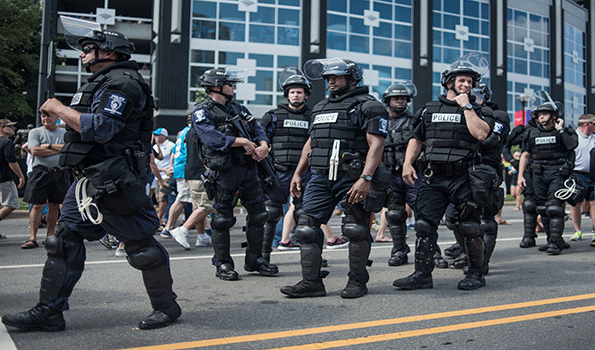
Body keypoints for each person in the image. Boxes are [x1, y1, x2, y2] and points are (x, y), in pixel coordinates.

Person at [2, 21, 180, 331]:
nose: (83, 55)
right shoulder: (101, 82)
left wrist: (57, 107)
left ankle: (167, 308)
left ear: (108, 52)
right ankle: (49, 312)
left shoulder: (123, 83)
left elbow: (101, 128)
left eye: (88, 49)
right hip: (86, 179)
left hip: (114, 178)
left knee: (141, 248)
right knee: (63, 241)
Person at [280, 58, 388, 299]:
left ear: (352, 79)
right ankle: (312, 283)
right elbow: (311, 142)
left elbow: (376, 144)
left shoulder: (370, 106)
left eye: (335, 77)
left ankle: (357, 282)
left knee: (355, 229)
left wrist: (365, 178)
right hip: (319, 177)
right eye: (328, 78)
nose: (330, 81)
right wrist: (298, 172)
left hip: (352, 176)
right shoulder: (319, 107)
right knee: (306, 229)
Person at [392, 53, 494, 291]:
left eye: (470, 81)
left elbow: (481, 134)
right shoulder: (429, 109)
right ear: (449, 83)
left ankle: (476, 274)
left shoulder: (478, 110)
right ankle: (422, 275)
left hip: (463, 177)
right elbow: (417, 139)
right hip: (433, 177)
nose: (466, 85)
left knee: (470, 226)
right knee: (424, 226)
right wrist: (408, 163)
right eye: (461, 80)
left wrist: (467, 106)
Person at [191, 67, 278, 280]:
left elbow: (257, 128)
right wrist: (241, 142)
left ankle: (255, 260)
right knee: (222, 220)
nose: (233, 87)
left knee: (259, 215)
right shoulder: (202, 111)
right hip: (224, 172)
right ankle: (223, 264)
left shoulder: (238, 108)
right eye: (230, 84)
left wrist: (264, 144)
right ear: (215, 86)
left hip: (249, 170)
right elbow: (211, 138)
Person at [443, 81, 510, 273]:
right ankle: (468, 253)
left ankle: (482, 263)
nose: (474, 97)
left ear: (486, 97)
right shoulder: (459, 112)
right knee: (454, 218)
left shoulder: (497, 115)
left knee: (486, 221)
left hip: (486, 172)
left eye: (478, 94)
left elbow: (489, 139)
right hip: (462, 172)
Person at [517, 95, 578, 255]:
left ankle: (555, 243)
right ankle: (553, 240)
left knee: (554, 208)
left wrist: (561, 129)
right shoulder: (532, 133)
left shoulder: (564, 131)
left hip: (556, 173)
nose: (540, 116)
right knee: (542, 208)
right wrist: (520, 176)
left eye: (544, 114)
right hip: (537, 174)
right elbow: (525, 154)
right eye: (539, 114)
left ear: (554, 116)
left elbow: (572, 145)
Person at [380, 81, 420, 266]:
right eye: (396, 98)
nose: (400, 101)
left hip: (412, 174)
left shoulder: (414, 121)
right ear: (388, 100)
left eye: (403, 98)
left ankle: (429, 252)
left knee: (423, 214)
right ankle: (399, 251)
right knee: (395, 214)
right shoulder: (379, 121)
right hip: (390, 174)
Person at [21, 113, 70, 249]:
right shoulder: (35, 132)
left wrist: (47, 146)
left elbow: (67, 149)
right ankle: (32, 238)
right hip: (41, 172)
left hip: (59, 172)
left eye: (49, 116)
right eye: (43, 116)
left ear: (56, 118)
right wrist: (57, 149)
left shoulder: (64, 132)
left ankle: (50, 237)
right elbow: (34, 151)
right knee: (37, 205)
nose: (45, 119)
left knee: (55, 205)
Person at [169, 115, 214, 249]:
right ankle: (183, 230)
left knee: (197, 206)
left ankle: (202, 236)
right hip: (200, 173)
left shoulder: (188, 132)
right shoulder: (202, 132)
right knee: (207, 205)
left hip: (188, 171)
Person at [568, 114, 595, 242]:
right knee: (576, 203)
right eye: (594, 124)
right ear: (587, 125)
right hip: (577, 174)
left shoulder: (594, 138)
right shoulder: (574, 138)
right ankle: (578, 231)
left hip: (593, 175)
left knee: (593, 203)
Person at [0, 118, 26, 234]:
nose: (13, 128)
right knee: (11, 204)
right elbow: (11, 161)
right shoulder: (7, 142)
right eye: (10, 126)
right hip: (4, 178)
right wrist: (21, 176)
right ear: (1, 128)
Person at [152, 127, 175, 227]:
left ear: (164, 136)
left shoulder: (171, 145)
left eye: (158, 135)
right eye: (155, 135)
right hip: (155, 176)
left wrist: (170, 169)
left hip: (165, 176)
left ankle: (160, 219)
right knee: (156, 199)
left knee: (163, 199)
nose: (156, 137)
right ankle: (159, 219)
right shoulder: (154, 146)